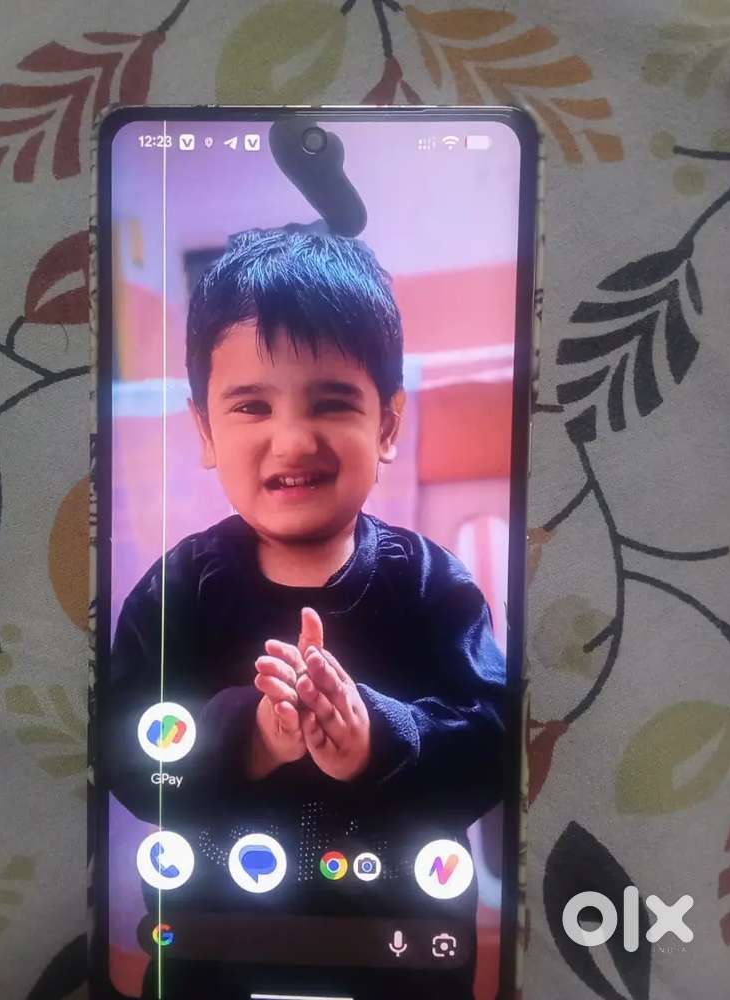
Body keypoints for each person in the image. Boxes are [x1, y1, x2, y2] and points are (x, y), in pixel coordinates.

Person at [109, 228, 507, 997]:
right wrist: (250, 738)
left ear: (386, 425)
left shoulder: (432, 584)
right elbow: (125, 754)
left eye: (332, 402)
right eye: (252, 406)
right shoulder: (179, 589)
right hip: (211, 955)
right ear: (205, 431)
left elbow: (492, 745)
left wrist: (377, 739)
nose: (292, 441)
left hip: (399, 960)